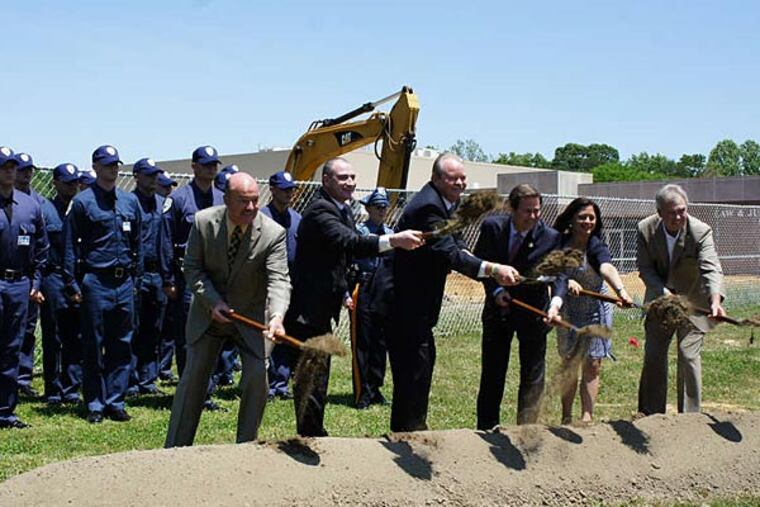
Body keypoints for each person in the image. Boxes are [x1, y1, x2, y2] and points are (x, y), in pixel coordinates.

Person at [370, 153, 519, 432]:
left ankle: (413, 429)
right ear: (436, 178)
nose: (460, 183)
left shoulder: (448, 205)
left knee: (421, 367)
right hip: (401, 303)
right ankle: (407, 433)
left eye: (462, 177)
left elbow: (458, 245)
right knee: (413, 371)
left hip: (418, 304)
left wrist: (484, 266)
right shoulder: (429, 208)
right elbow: (450, 254)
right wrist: (494, 269)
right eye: (452, 178)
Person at [285, 157, 424, 437]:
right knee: (312, 372)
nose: (350, 182)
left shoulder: (342, 210)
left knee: (319, 370)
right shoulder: (320, 211)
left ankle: (313, 430)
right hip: (307, 308)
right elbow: (350, 243)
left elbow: (345, 255)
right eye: (342, 177)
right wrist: (393, 241)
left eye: (352, 177)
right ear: (326, 180)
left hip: (323, 306)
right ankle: (309, 435)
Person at [165, 172, 290, 446]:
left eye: (255, 201)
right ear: (227, 200)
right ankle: (175, 449)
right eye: (244, 202)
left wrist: (278, 317)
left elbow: (279, 279)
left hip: (251, 317)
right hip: (209, 316)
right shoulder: (203, 222)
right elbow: (192, 268)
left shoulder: (273, 233)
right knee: (193, 378)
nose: (251, 208)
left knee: (258, 377)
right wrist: (213, 301)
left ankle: (245, 447)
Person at [473, 183, 567, 428]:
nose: (533, 216)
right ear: (511, 209)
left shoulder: (551, 238)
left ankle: (527, 428)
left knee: (533, 374)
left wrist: (555, 304)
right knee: (493, 372)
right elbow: (480, 266)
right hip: (499, 310)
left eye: (537, 211)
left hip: (534, 312)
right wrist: (495, 290)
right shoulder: (492, 228)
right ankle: (486, 428)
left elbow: (559, 276)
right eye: (527, 211)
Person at [63, 145, 143, 423]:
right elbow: (70, 245)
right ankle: (95, 404)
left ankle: (115, 401)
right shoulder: (84, 202)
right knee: (94, 345)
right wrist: (72, 283)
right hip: (96, 281)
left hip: (124, 282)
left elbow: (139, 243)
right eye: (108, 164)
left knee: (122, 343)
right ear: (95, 167)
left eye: (116, 164)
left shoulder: (129, 202)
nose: (113, 168)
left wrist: (137, 279)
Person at [637, 184, 725, 415]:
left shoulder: (701, 231)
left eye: (682, 211)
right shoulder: (645, 229)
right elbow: (645, 269)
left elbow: (711, 268)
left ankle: (690, 418)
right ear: (660, 213)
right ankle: (651, 414)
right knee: (654, 355)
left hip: (694, 302)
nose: (678, 217)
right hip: (660, 301)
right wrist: (664, 294)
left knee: (688, 355)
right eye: (672, 212)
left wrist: (715, 301)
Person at [552, 197, 633, 424]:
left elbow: (606, 266)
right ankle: (566, 417)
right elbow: (556, 272)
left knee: (593, 363)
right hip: (567, 308)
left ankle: (586, 418)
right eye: (582, 217)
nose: (587, 221)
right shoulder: (560, 243)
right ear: (571, 219)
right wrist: (567, 282)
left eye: (591, 218)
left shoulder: (596, 245)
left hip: (595, 309)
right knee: (570, 362)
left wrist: (621, 291)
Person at [160, 145, 229, 409]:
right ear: (194, 167)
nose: (211, 168)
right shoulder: (178, 200)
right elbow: (165, 240)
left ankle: (206, 393)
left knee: (211, 335)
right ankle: (190, 390)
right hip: (187, 278)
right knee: (189, 336)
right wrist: (167, 279)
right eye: (206, 164)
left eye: (214, 164)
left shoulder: (222, 199)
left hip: (215, 278)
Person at [0, 146, 48, 429]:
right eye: (4, 166)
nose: (9, 170)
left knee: (11, 348)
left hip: (19, 284)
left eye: (12, 166)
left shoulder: (30, 206)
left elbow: (41, 247)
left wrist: (36, 282)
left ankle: (5, 411)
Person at [39, 163, 83, 406]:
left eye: (75, 182)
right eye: (67, 182)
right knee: (54, 335)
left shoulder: (81, 208)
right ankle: (53, 388)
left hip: (78, 277)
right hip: (53, 277)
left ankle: (72, 387)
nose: (72, 186)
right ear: (55, 183)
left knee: (75, 335)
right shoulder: (45, 210)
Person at [349, 187, 393, 409]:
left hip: (384, 289)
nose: (382, 210)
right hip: (363, 286)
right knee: (363, 341)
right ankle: (362, 391)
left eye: (385, 206)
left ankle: (376, 388)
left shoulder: (392, 231)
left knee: (380, 342)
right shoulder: (359, 231)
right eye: (378, 206)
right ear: (368, 208)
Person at [128, 158, 168, 395]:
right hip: (138, 274)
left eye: (155, 175)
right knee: (133, 327)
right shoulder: (129, 203)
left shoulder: (163, 204)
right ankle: (131, 380)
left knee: (154, 328)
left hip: (158, 274)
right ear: (137, 176)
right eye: (148, 175)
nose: (153, 179)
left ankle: (148, 379)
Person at [260, 170, 301, 400]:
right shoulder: (261, 216)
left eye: (291, 190)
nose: (289, 194)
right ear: (273, 189)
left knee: (285, 336)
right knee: (267, 338)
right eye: (284, 189)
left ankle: (280, 384)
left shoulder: (297, 219)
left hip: (291, 285)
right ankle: (264, 385)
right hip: (268, 285)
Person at [14, 152, 47, 398]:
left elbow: (42, 246)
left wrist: (36, 282)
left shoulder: (37, 202)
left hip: (27, 278)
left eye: (29, 169)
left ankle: (23, 378)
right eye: (22, 169)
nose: (27, 174)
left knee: (27, 330)